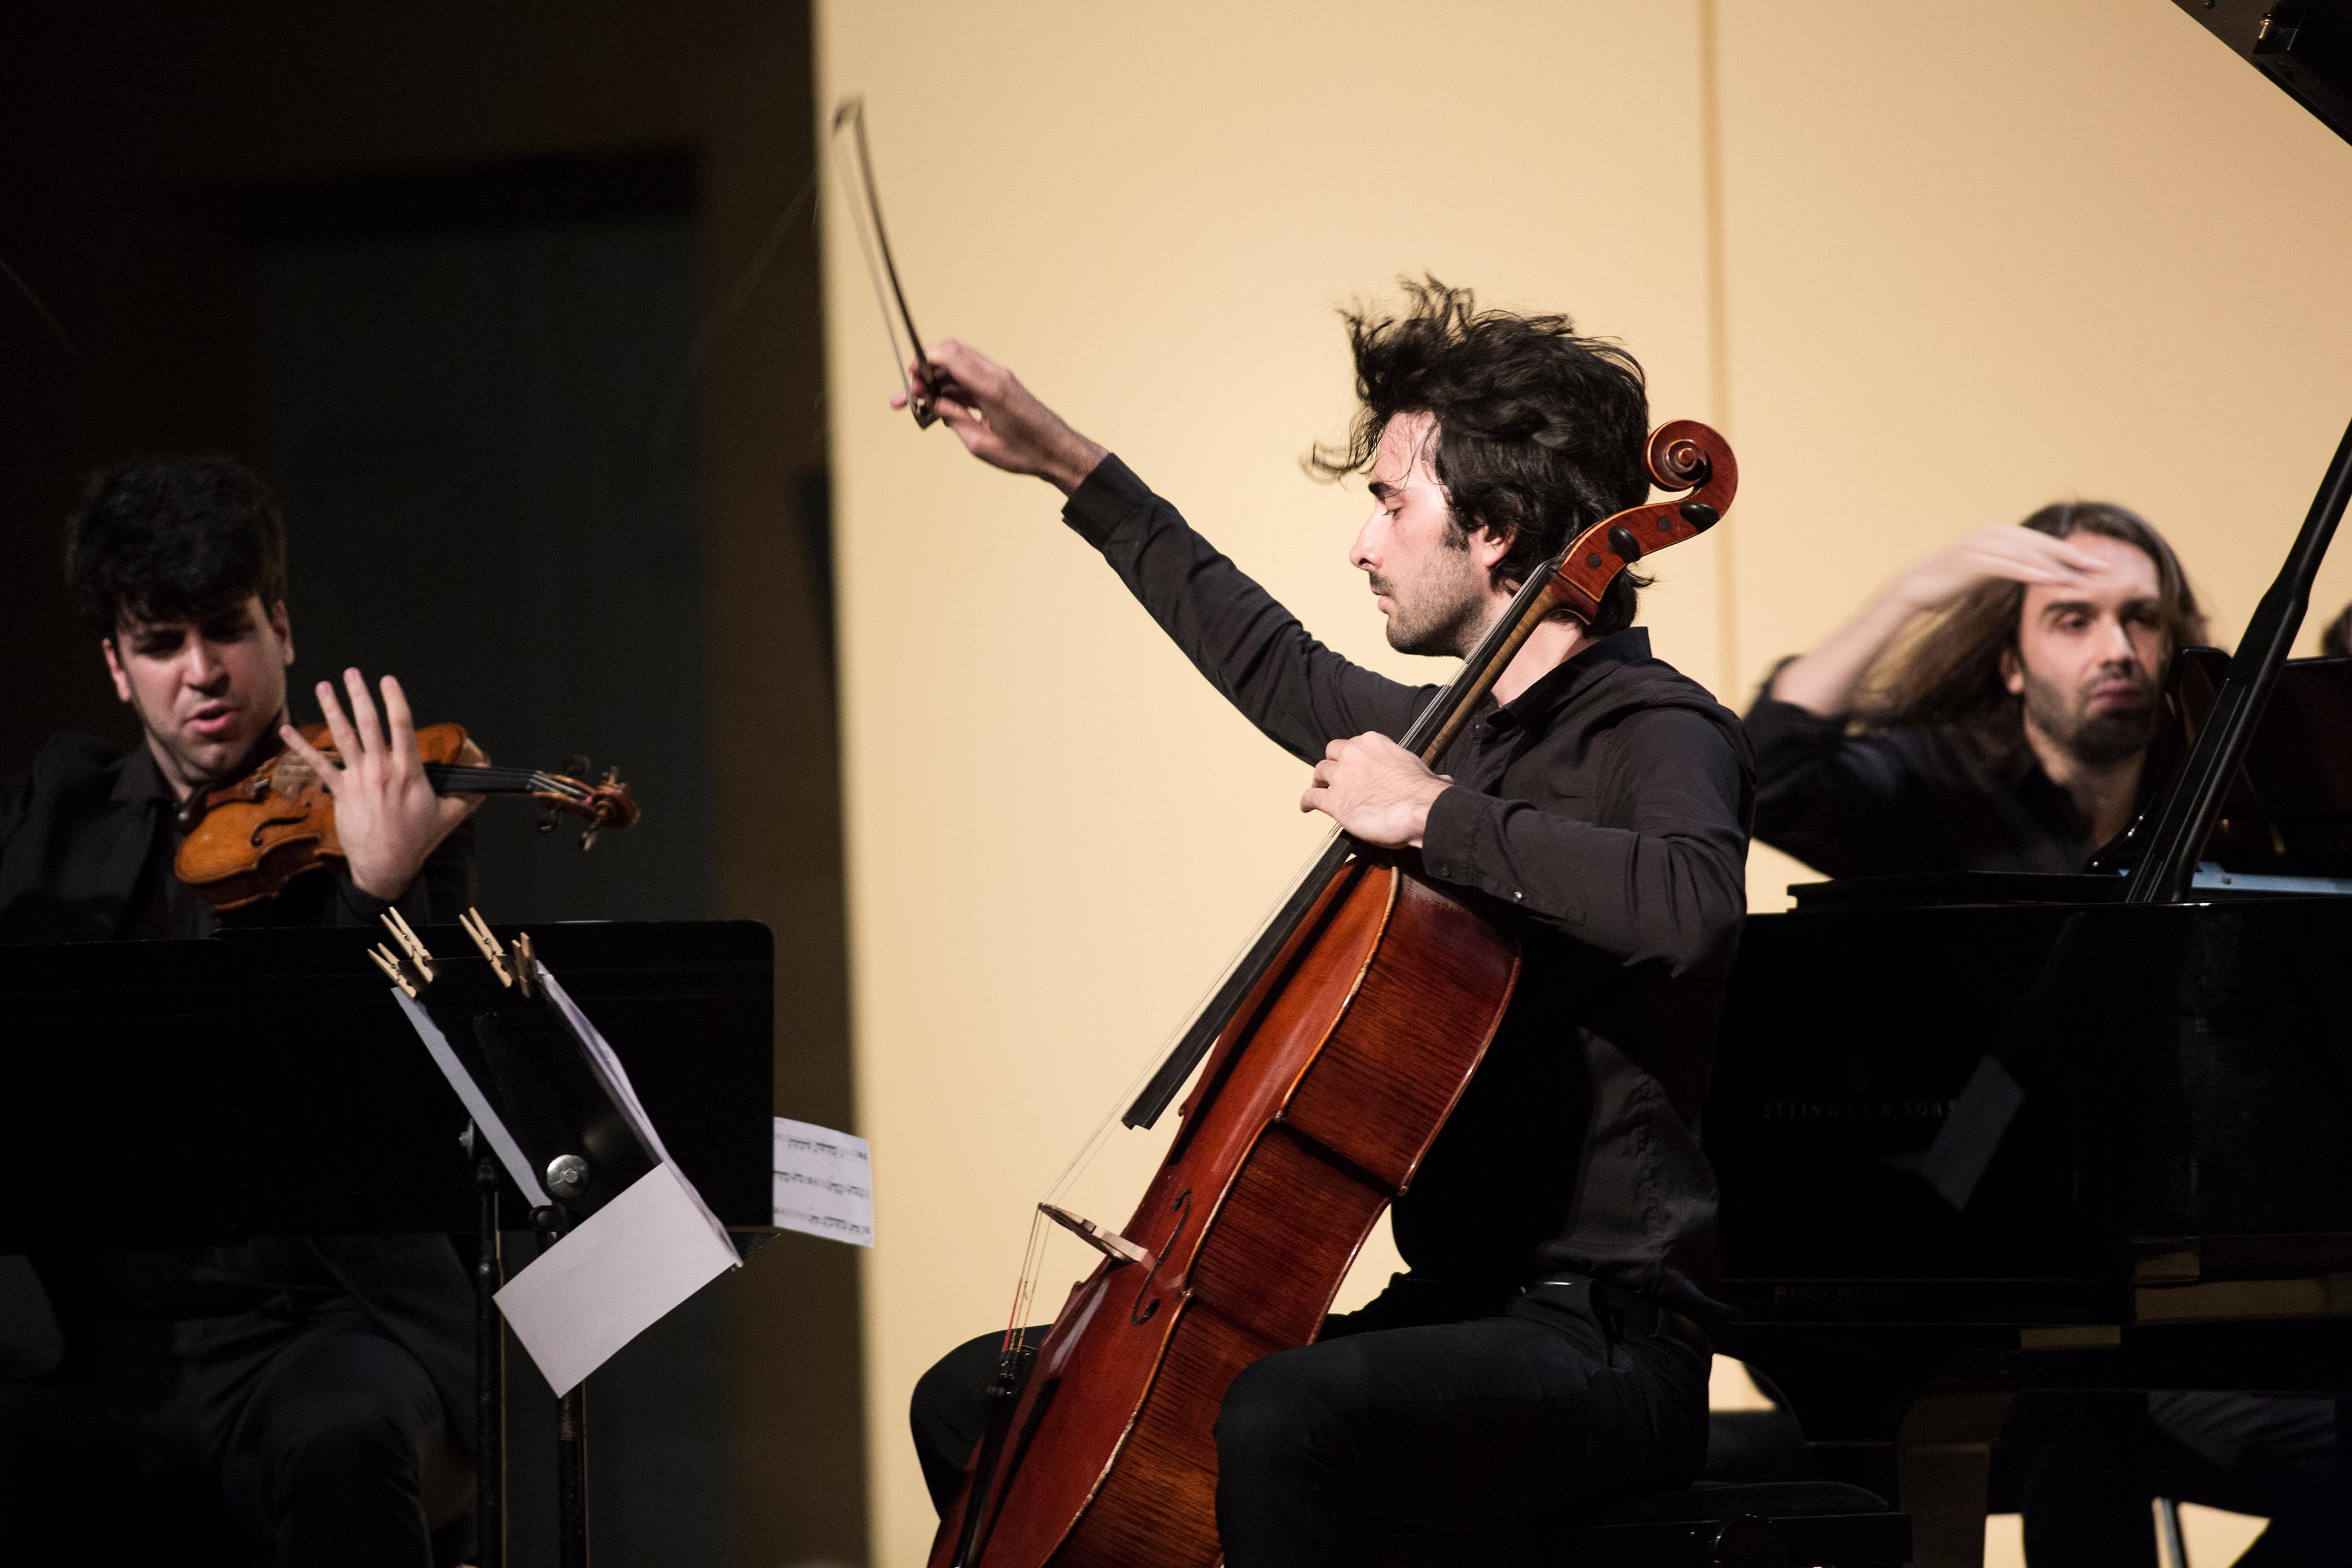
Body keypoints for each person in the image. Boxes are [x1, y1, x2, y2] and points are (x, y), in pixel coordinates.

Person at [902, 281, 1754, 1565]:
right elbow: (1269, 657)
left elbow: (1693, 903)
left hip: (1599, 1342)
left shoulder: (1655, 727)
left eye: (1390, 504)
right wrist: (1061, 458)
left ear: (1497, 531)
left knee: (1284, 1419)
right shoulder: (1459, 727)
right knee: (982, 1398)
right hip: (1456, 1318)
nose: (1364, 545)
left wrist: (1434, 815)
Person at [1744, 503, 2347, 1565]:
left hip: (2201, 1290)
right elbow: (1774, 773)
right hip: (1980, 1288)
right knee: (2081, 1389)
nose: (2117, 646)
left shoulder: (2233, 805)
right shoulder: (1934, 788)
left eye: (2142, 620)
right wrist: (1914, 592)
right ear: (2011, 664)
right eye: (2072, 619)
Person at [0, 454, 480, 1567]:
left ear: (283, 627)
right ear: (117, 668)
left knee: (346, 1440)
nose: (202, 672)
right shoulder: (49, 823)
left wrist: (371, 894)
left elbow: (406, 1098)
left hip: (326, 1327)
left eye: (227, 629)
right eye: (162, 644)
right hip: (111, 1347)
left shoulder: (376, 815)